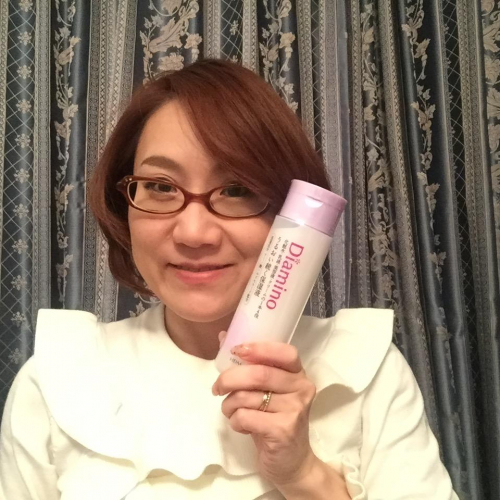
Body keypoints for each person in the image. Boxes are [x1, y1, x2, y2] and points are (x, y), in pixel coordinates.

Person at [0, 59, 459, 499]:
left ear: (290, 212)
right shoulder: (59, 378)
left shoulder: (364, 369)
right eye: (160, 186)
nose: (194, 233)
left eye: (237, 190)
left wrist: (303, 475)